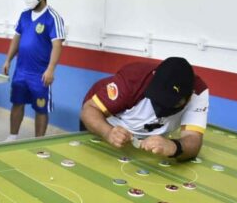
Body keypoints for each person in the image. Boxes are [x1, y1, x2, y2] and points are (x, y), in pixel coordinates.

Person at [80, 57, 209, 160]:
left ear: (189, 98)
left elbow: (194, 141)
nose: (160, 108)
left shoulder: (198, 93)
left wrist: (174, 147)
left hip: (143, 139)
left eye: (170, 102)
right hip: (105, 124)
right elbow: (89, 110)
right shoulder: (133, 78)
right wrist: (108, 132)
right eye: (157, 98)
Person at [2, 0, 65, 140]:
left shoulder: (53, 17)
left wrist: (50, 69)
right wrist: (8, 60)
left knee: (41, 108)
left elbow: (57, 45)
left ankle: (38, 142)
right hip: (21, 70)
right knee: (17, 103)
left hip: (40, 73)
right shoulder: (24, 15)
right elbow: (16, 38)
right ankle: (12, 137)